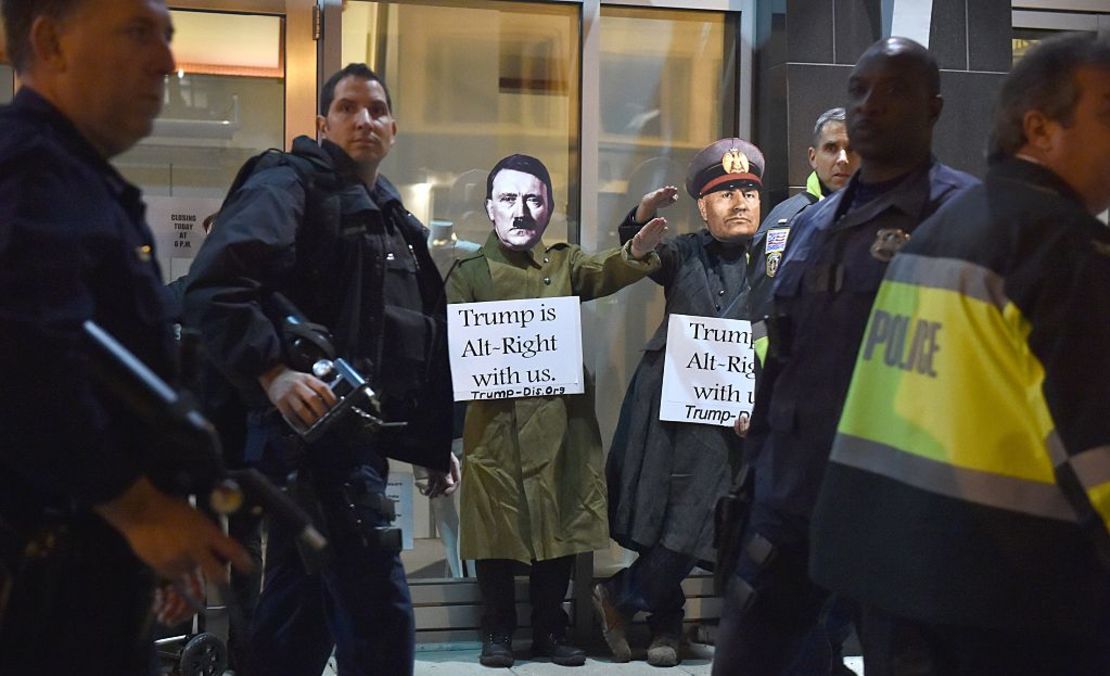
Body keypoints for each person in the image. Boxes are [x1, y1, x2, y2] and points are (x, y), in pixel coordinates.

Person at [810, 32, 1110, 675]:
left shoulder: (948, 225)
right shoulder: (1062, 249)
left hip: (895, 577)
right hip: (1007, 601)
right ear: (1040, 128)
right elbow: (1098, 449)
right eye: (1108, 114)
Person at [710, 37, 978, 676]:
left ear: (934, 107)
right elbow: (783, 347)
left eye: (894, 90)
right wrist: (758, 470)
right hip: (794, 492)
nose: (869, 105)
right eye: (859, 90)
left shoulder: (966, 217)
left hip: (901, 506)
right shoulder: (811, 224)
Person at [0, 0, 252, 672]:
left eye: (167, 37)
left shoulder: (76, 181)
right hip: (39, 590)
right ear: (51, 42)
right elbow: (21, 354)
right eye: (139, 32)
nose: (167, 61)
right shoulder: (28, 172)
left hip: (83, 572)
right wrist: (139, 511)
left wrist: (144, 533)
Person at [184, 63, 457, 676]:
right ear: (323, 122)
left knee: (295, 613)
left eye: (377, 109)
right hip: (308, 447)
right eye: (348, 108)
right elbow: (217, 288)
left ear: (394, 126)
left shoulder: (386, 215)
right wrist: (273, 373)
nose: (364, 120)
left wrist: (432, 444)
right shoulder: (290, 184)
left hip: (344, 444)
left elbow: (397, 338)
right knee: (379, 619)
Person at [446, 153, 666, 668]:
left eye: (533, 200)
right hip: (494, 432)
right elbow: (455, 352)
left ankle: (550, 630)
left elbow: (607, 269)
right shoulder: (468, 274)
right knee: (494, 533)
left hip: (561, 428)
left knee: (560, 531)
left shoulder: (567, 264)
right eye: (508, 199)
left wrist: (635, 247)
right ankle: (497, 632)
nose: (521, 212)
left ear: (548, 210)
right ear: (489, 208)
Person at [595, 139, 767, 667]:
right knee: (659, 513)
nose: (739, 202)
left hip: (734, 416)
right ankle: (667, 628)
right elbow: (639, 250)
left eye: (748, 191)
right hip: (667, 404)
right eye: (724, 193)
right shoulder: (684, 252)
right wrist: (643, 216)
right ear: (701, 206)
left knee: (700, 517)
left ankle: (621, 596)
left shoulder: (774, 258)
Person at [750, 108, 858, 315]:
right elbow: (762, 310)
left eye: (852, 149)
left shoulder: (884, 217)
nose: (843, 158)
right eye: (831, 148)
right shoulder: (785, 221)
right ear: (813, 157)